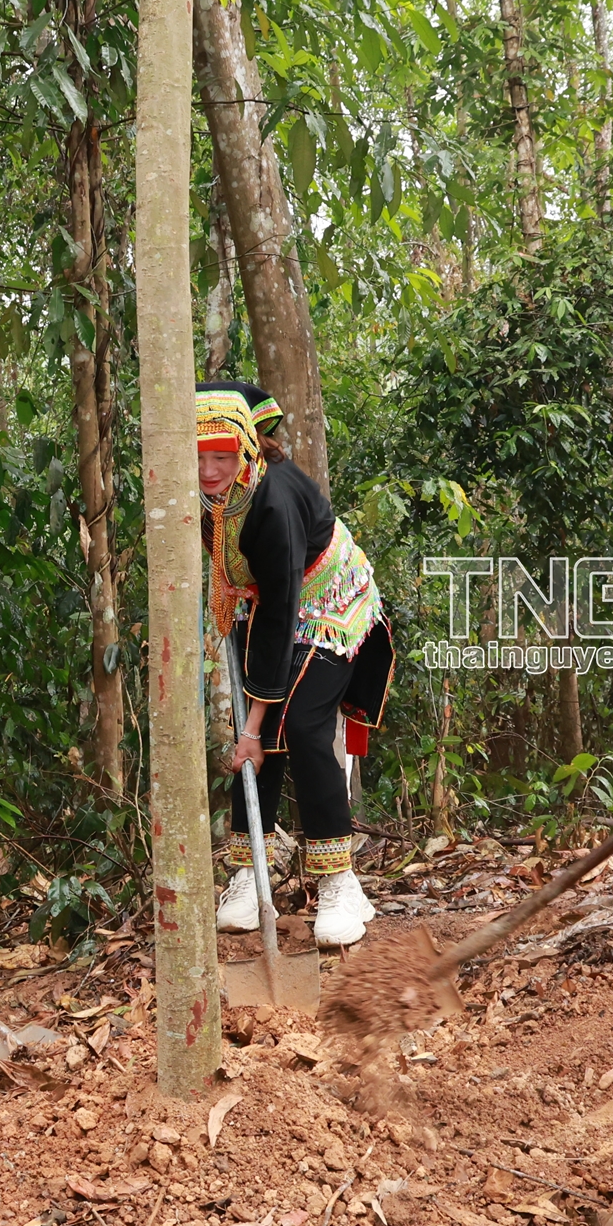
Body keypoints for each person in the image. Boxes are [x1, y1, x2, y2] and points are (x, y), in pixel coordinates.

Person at [198, 382, 395, 947]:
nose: (209, 471)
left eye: (222, 457)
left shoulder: (274, 503)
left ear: (246, 449)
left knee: (301, 725)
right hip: (266, 601)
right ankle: (250, 872)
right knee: (257, 736)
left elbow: (283, 615)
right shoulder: (212, 491)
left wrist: (253, 727)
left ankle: (340, 882)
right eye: (199, 457)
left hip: (330, 600)